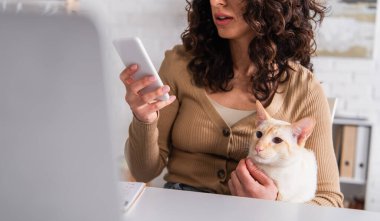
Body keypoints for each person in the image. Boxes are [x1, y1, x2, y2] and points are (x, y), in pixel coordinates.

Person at [120, 0, 343, 207]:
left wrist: (275, 203)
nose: (215, 2)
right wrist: (144, 119)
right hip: (179, 210)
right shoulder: (178, 65)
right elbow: (143, 171)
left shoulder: (305, 89)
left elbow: (330, 199)